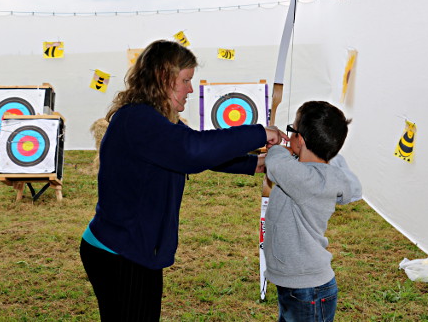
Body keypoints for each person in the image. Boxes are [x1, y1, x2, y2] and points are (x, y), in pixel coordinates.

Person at [79, 39, 286, 321]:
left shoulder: (153, 119)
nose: (190, 89)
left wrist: (255, 164)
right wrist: (260, 133)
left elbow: (192, 151)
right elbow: (191, 150)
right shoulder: (139, 119)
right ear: (163, 77)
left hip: (130, 248)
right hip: (120, 252)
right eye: (186, 80)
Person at [263, 101, 362, 322]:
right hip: (301, 285)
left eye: (292, 131)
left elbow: (277, 166)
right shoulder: (318, 174)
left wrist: (277, 146)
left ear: (301, 140)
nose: (288, 137)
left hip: (307, 289)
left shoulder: (307, 180)